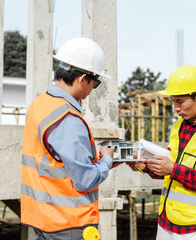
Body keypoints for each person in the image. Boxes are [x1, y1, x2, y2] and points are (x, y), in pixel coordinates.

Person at [21, 37, 120, 240]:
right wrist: (107, 158)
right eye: (96, 82)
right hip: (68, 224)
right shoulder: (68, 118)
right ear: (83, 79)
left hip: (43, 218)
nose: (93, 89)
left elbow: (55, 164)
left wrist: (101, 163)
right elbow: (85, 181)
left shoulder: (40, 104)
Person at [128, 65, 196, 240]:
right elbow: (172, 171)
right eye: (173, 101)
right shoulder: (178, 127)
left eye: (180, 102)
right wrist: (146, 166)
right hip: (166, 222)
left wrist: (173, 169)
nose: (176, 108)